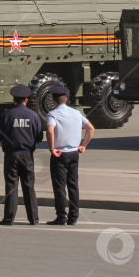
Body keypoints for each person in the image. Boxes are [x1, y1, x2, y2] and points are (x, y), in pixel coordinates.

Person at [0, 84, 43, 226]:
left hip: (11, 155)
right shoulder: (34, 115)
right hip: (27, 155)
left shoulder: (6, 115)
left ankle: (9, 218)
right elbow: (39, 137)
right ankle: (33, 218)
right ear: (26, 100)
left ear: (14, 100)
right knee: (29, 187)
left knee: (11, 186)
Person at [45, 86, 95, 226]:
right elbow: (91, 129)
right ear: (66, 99)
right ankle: (74, 216)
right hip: (74, 153)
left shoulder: (52, 114)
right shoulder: (76, 113)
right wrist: (83, 145)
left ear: (53, 101)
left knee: (59, 186)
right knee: (73, 185)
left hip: (60, 154)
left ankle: (61, 216)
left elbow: (50, 130)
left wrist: (51, 148)